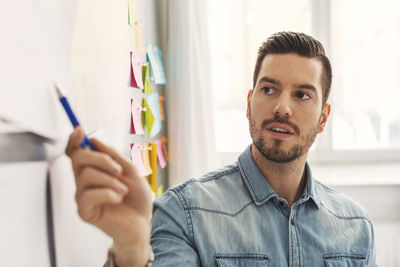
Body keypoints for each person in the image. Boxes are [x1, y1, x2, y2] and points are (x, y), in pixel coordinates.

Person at [66, 31, 378, 266]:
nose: (282, 107)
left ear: (323, 118)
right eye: (268, 89)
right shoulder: (182, 213)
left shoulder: (356, 227)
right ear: (249, 103)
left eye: (302, 95)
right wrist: (132, 247)